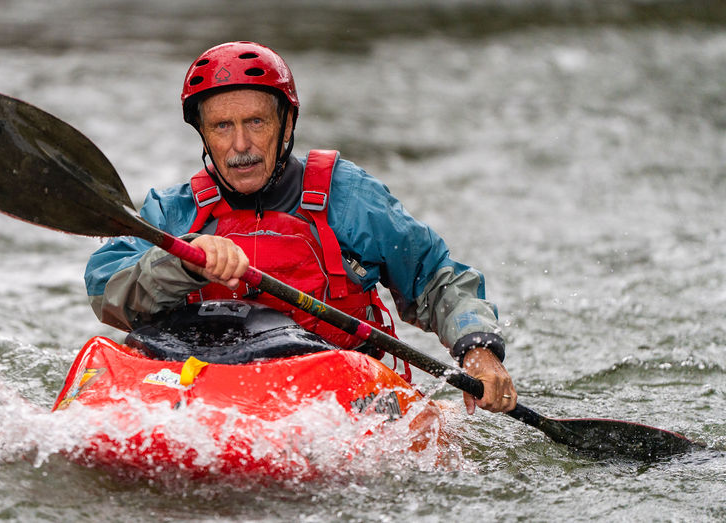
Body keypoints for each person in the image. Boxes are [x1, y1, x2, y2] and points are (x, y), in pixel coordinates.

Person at [84, 41, 516, 414]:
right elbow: (107, 291)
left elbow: (435, 277)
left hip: (331, 388)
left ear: (286, 124)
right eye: (222, 126)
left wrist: (477, 348)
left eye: (256, 122)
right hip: (212, 389)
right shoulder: (174, 212)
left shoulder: (347, 198)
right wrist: (185, 261)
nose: (240, 145)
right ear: (203, 134)